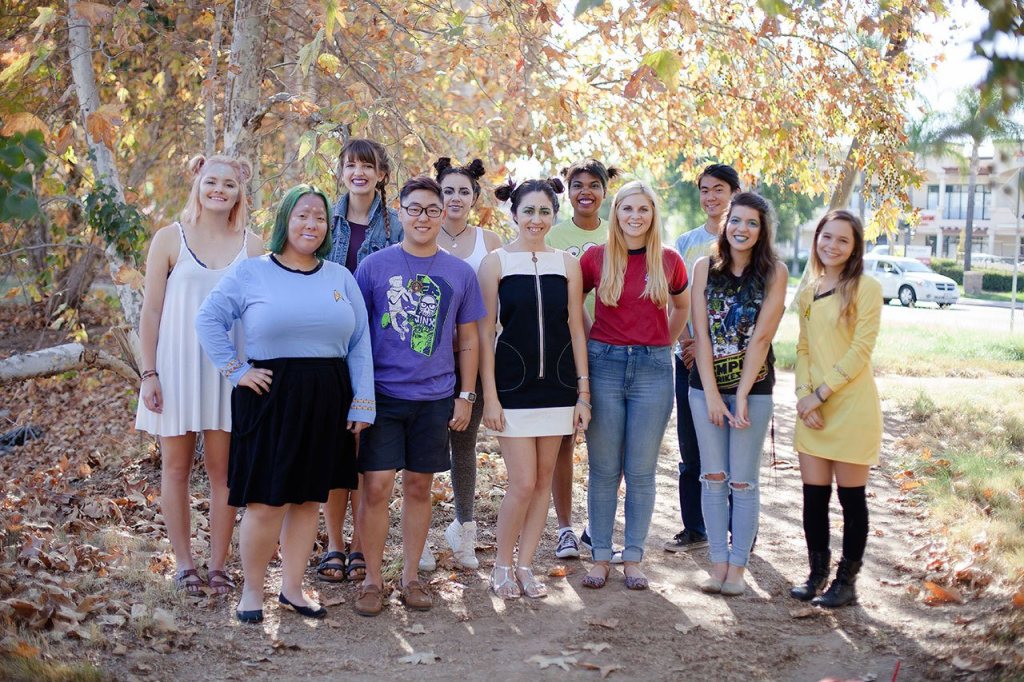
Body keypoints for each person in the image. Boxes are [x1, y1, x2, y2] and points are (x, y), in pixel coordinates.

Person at [195, 184, 375, 623]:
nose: (310, 224)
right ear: (285, 223)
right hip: (270, 396)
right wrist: (236, 370)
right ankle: (252, 592)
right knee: (266, 500)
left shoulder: (340, 277)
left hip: (328, 396)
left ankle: (293, 589)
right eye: (301, 216)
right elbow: (208, 319)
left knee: (308, 500)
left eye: (318, 217)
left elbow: (359, 342)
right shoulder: (251, 272)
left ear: (326, 227)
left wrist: (362, 400)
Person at [353, 176, 486, 617]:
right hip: (383, 395)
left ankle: (411, 576)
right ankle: (373, 580)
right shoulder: (374, 267)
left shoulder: (459, 272)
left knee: (419, 486)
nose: (424, 217)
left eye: (432, 209)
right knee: (376, 487)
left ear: (443, 212)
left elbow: (468, 339)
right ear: (400, 213)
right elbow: (356, 337)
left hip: (435, 397)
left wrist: (466, 395)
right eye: (415, 209)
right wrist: (358, 395)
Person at [136, 154, 263, 597]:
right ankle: (184, 564)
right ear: (197, 183)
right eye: (211, 182)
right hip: (174, 366)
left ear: (239, 191)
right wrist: (148, 373)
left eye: (228, 184)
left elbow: (260, 314)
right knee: (174, 468)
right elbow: (151, 311)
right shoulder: (169, 239)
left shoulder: (252, 245)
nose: (219, 190)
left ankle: (218, 565)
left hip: (228, 372)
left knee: (222, 471)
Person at [478, 177, 591, 599]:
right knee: (522, 483)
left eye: (545, 211)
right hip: (513, 388)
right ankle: (501, 567)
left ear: (553, 216)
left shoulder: (567, 262)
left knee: (545, 481)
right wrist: (490, 395)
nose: (536, 219)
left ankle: (526, 566)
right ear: (514, 214)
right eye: (529, 211)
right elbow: (486, 332)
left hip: (560, 388)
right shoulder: (496, 263)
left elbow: (576, 330)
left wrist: (584, 393)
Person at [580, 181, 689, 591]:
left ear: (653, 215)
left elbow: (681, 305)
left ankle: (634, 558)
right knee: (604, 469)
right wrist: (595, 342)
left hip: (653, 369)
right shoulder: (596, 258)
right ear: (616, 212)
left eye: (643, 209)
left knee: (641, 471)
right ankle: (601, 557)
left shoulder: (669, 260)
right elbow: (575, 307)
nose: (635, 216)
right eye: (627, 208)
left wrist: (667, 341)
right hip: (604, 365)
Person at [688, 192, 787, 597]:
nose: (742, 229)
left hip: (755, 388)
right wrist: (711, 394)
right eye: (736, 221)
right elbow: (702, 334)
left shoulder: (774, 272)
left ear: (762, 231)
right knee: (713, 477)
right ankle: (718, 564)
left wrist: (742, 394)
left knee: (743, 481)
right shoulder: (703, 268)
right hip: (705, 388)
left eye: (751, 223)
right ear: (725, 223)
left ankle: (739, 569)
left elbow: (763, 336)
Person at [319, 138, 402, 584]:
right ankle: (334, 543)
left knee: (365, 453)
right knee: (336, 453)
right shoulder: (323, 218)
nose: (359, 173)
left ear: (382, 174)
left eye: (367, 166)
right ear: (341, 172)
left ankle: (359, 546)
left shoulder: (396, 225)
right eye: (351, 165)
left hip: (377, 348)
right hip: (328, 347)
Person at [790, 210, 882, 608]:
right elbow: (804, 347)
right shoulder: (808, 290)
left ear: (855, 247)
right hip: (813, 410)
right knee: (813, 498)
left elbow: (861, 350)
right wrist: (803, 395)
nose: (832, 245)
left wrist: (822, 394)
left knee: (851, 499)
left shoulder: (866, 287)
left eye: (843, 240)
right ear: (817, 239)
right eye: (827, 237)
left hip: (851, 408)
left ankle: (846, 583)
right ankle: (817, 574)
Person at [418, 157, 502, 572]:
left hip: (471, 359)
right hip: (422, 362)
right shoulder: (419, 236)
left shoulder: (491, 243)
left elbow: (501, 307)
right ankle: (420, 538)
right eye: (447, 190)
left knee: (463, 447)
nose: (454, 198)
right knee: (422, 449)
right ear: (436, 195)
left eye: (463, 191)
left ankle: (464, 529)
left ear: (474, 198)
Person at [545, 158, 619, 560]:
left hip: (610, 348)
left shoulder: (620, 231)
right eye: (577, 185)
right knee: (563, 443)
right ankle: (565, 528)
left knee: (608, 442)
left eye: (593, 184)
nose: (585, 191)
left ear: (605, 191)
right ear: (567, 191)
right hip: (562, 349)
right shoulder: (553, 236)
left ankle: (598, 525)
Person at [664, 163, 740, 553]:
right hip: (689, 358)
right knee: (691, 445)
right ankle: (694, 526)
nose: (711, 197)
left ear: (733, 194)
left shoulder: (745, 241)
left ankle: (735, 527)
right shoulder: (686, 242)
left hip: (734, 361)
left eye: (719, 190)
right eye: (705, 190)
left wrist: (715, 348)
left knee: (730, 445)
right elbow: (677, 298)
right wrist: (690, 344)